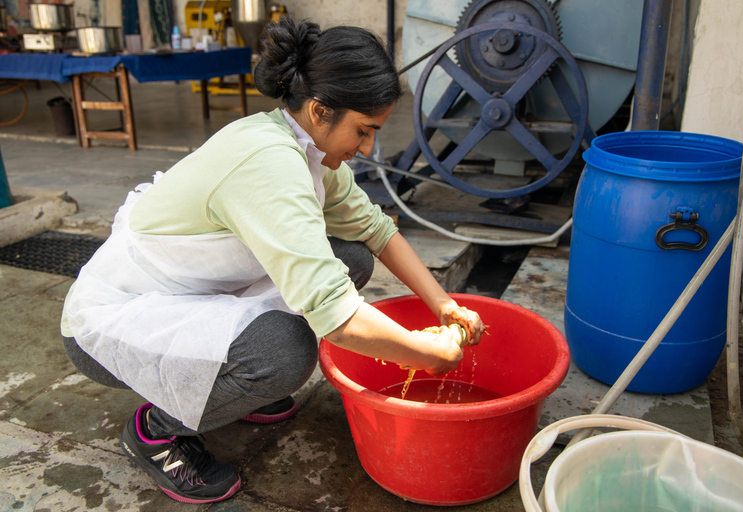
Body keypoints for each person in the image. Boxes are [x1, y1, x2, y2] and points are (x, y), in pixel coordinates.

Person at [60, 16, 485, 504]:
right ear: (320, 110)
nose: (367, 149)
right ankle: (157, 429)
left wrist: (443, 305)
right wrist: (427, 354)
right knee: (285, 356)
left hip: (197, 288)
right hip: (113, 322)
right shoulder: (268, 164)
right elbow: (337, 320)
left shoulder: (309, 150)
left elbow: (375, 230)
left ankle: (234, 387)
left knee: (348, 257)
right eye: (364, 131)